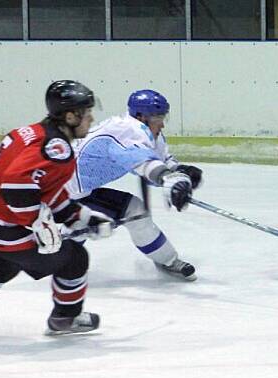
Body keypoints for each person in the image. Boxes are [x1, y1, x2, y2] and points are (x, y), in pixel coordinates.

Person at [0, 80, 116, 334]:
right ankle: (65, 319)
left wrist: (80, 218)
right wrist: (37, 223)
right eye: (86, 113)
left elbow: (45, 190)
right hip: (4, 226)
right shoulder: (57, 148)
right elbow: (14, 185)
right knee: (75, 258)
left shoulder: (30, 132)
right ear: (70, 116)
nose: (91, 118)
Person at [67, 89, 200, 281]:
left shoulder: (147, 131)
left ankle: (168, 260)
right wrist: (167, 178)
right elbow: (141, 163)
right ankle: (57, 255)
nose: (162, 124)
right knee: (78, 225)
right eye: (157, 118)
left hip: (83, 191)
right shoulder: (127, 130)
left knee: (134, 211)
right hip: (64, 192)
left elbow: (161, 160)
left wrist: (181, 171)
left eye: (164, 117)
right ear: (141, 116)